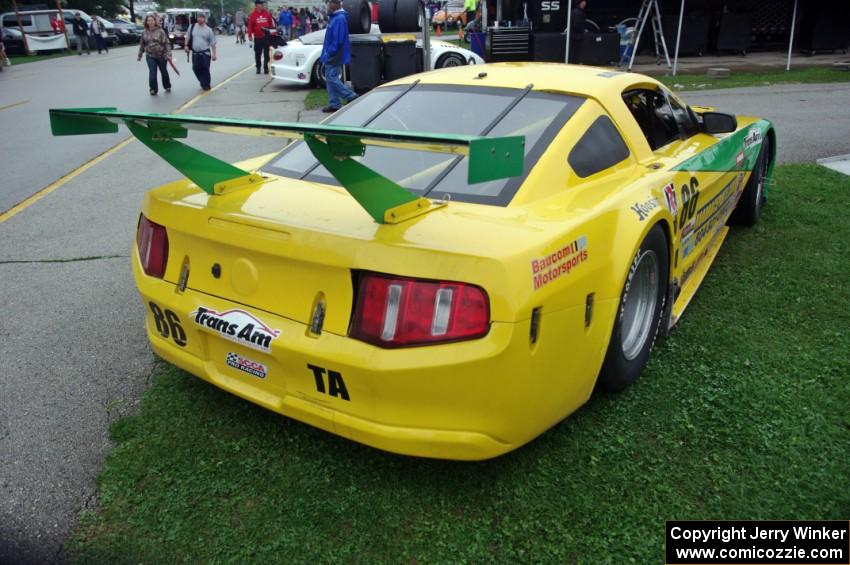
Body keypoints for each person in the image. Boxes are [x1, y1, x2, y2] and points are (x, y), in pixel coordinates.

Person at [320, 0, 356, 113]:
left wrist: (330, 52)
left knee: (331, 77)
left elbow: (338, 40)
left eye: (328, 4)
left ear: (334, 5)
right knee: (329, 77)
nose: (326, 6)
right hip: (331, 52)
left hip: (334, 53)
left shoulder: (339, 18)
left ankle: (351, 96)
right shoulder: (335, 17)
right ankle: (334, 103)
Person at [138, 14, 172, 95]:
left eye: (152, 20)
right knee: (152, 73)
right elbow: (142, 44)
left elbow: (166, 43)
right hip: (150, 56)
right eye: (148, 20)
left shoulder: (160, 31)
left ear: (155, 21)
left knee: (164, 72)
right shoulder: (144, 32)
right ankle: (153, 89)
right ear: (146, 22)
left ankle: (167, 85)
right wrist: (140, 55)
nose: (150, 22)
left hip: (161, 55)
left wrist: (168, 53)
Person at [185, 12, 217, 90]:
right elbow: (187, 37)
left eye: (202, 17)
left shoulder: (208, 30)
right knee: (195, 68)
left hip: (205, 53)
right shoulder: (192, 27)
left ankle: (206, 84)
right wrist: (186, 45)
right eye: (198, 17)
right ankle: (202, 81)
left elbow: (213, 43)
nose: (200, 19)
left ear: (204, 19)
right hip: (195, 53)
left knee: (205, 69)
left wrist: (214, 54)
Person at [247, 0, 273, 74]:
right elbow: (250, 26)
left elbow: (270, 24)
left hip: (266, 37)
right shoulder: (253, 15)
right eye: (261, 4)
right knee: (258, 53)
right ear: (257, 5)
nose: (263, 5)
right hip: (258, 37)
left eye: (263, 4)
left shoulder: (267, 13)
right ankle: (258, 67)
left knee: (266, 53)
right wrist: (249, 35)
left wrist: (272, 33)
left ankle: (265, 67)